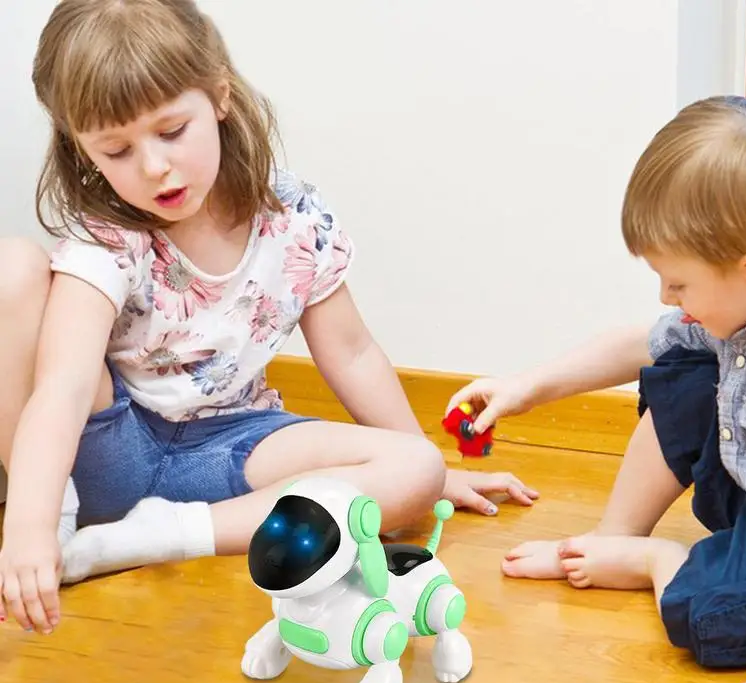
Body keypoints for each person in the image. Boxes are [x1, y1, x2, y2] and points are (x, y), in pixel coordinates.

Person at [0, 0, 537, 637]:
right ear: (82, 149)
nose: (152, 167)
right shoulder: (108, 239)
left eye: (172, 131)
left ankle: (148, 540)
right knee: (11, 266)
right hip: (109, 450)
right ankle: (60, 523)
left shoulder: (292, 215)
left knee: (415, 469)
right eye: (116, 151)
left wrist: (437, 471)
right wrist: (32, 526)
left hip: (233, 447)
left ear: (219, 95)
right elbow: (61, 387)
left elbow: (353, 352)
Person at [448, 95, 746, 683]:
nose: (667, 295)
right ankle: (612, 537)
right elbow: (639, 341)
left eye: (680, 282)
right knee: (683, 366)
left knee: (718, 621)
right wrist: (527, 386)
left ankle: (655, 559)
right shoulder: (736, 306)